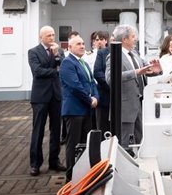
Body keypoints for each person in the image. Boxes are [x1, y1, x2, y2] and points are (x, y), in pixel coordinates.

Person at [105, 24, 160, 152]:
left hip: (139, 105)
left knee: (140, 141)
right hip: (125, 108)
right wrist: (136, 72)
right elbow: (110, 79)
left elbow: (144, 69)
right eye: (133, 36)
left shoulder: (134, 54)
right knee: (124, 145)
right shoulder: (114, 55)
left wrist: (156, 70)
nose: (135, 39)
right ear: (124, 39)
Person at [27, 26, 66, 176]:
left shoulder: (59, 50)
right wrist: (55, 71)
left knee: (56, 130)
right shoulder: (33, 52)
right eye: (48, 35)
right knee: (38, 130)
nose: (52, 38)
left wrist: (57, 55)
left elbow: (63, 66)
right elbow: (37, 71)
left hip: (56, 95)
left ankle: (54, 161)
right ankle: (35, 163)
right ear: (41, 37)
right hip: (40, 97)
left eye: (53, 35)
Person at [59, 34, 99, 181]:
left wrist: (96, 97)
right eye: (78, 44)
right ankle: (71, 176)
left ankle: (82, 173)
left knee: (84, 143)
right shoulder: (67, 63)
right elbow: (75, 86)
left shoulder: (84, 63)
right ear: (69, 48)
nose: (82, 46)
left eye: (83, 43)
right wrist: (89, 100)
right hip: (74, 110)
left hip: (86, 110)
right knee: (73, 144)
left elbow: (92, 82)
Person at [93, 32, 111, 134]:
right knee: (102, 127)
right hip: (102, 93)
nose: (99, 41)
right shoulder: (98, 54)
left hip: (118, 98)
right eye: (97, 39)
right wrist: (111, 85)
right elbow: (97, 72)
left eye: (101, 39)